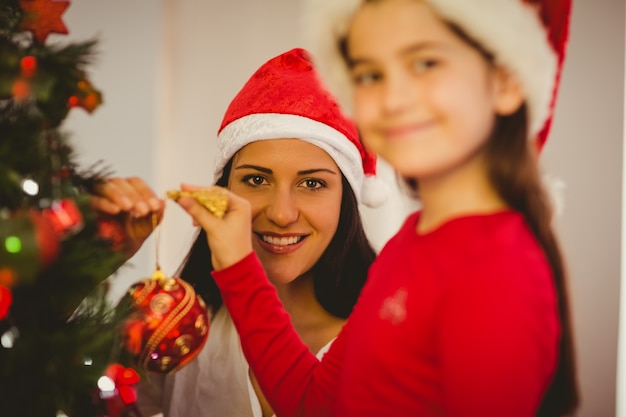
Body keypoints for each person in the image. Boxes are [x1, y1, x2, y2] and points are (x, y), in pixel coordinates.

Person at [174, 0, 580, 416]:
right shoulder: (410, 246)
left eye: (425, 63)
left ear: (506, 82)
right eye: (369, 74)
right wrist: (238, 262)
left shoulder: (494, 268)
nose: (391, 98)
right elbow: (313, 404)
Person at [92, 47, 384, 417]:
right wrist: (92, 261)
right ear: (223, 189)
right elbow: (42, 389)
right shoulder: (175, 329)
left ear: (348, 200)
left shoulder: (389, 337)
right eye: (256, 179)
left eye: (312, 184)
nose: (281, 214)